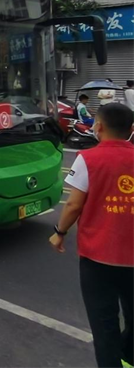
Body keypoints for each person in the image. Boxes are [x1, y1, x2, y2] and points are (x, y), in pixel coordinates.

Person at [51, 103, 134, 368]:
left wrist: (59, 232)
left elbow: (73, 205)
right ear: (131, 129)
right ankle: (129, 357)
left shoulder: (88, 159)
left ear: (98, 127)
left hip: (98, 259)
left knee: (104, 325)